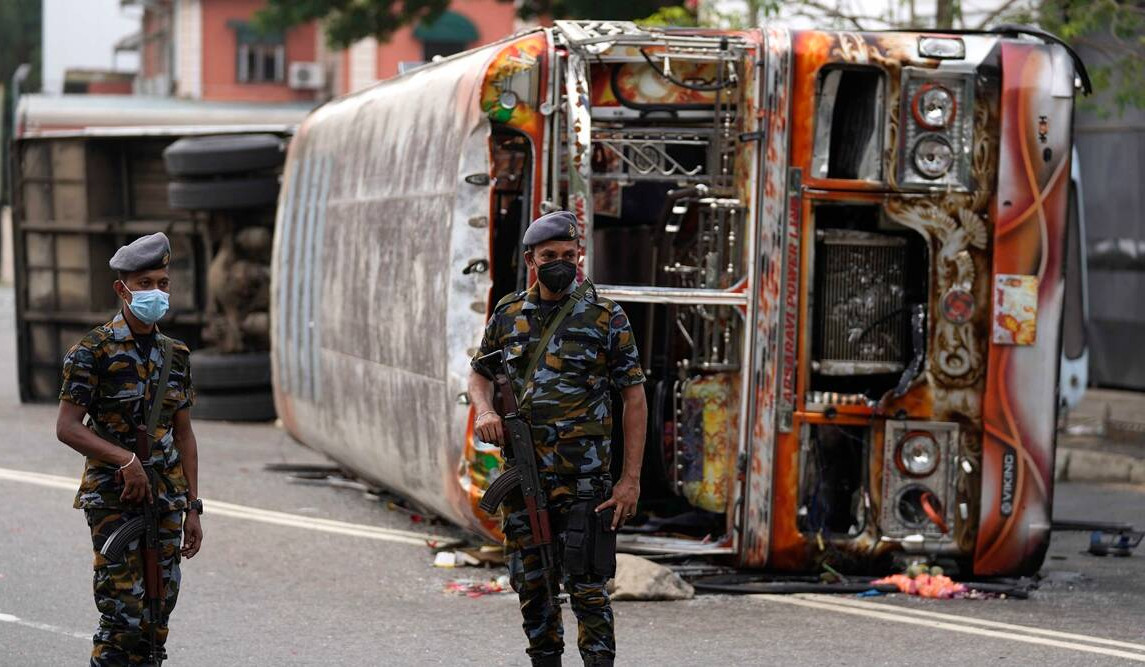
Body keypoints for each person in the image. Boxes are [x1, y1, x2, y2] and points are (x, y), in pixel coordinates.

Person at [468, 211, 648, 667]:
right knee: (533, 589)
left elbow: (634, 399)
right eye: (550, 256)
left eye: (570, 254)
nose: (561, 263)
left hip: (585, 482)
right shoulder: (509, 314)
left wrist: (629, 480)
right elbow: (479, 373)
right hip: (524, 479)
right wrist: (485, 410)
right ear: (531, 260)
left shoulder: (606, 317)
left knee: (589, 590)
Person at [55, 232, 203, 665]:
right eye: (145, 284)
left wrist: (193, 506)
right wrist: (126, 460)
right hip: (113, 499)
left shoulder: (176, 355)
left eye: (162, 283)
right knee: (123, 621)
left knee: (157, 619)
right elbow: (67, 427)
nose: (156, 291)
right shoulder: (92, 352)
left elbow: (184, 435)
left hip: (166, 499)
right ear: (122, 290)